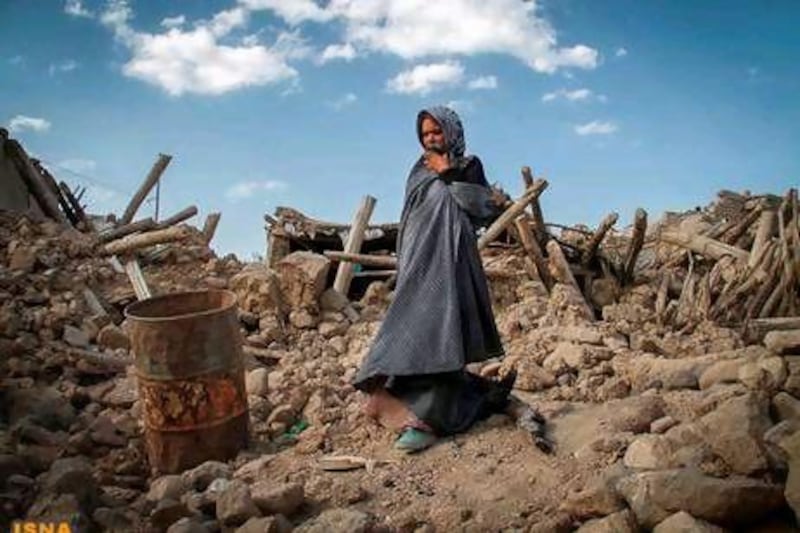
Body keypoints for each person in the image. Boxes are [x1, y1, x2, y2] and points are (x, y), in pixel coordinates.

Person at [353, 105, 550, 453]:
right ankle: (392, 393)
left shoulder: (469, 166)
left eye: (436, 132)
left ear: (451, 132)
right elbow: (411, 214)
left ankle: (430, 414)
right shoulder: (417, 169)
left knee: (444, 333)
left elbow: (485, 209)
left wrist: (448, 175)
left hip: (453, 262)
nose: (430, 139)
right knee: (409, 329)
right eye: (425, 133)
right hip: (418, 262)